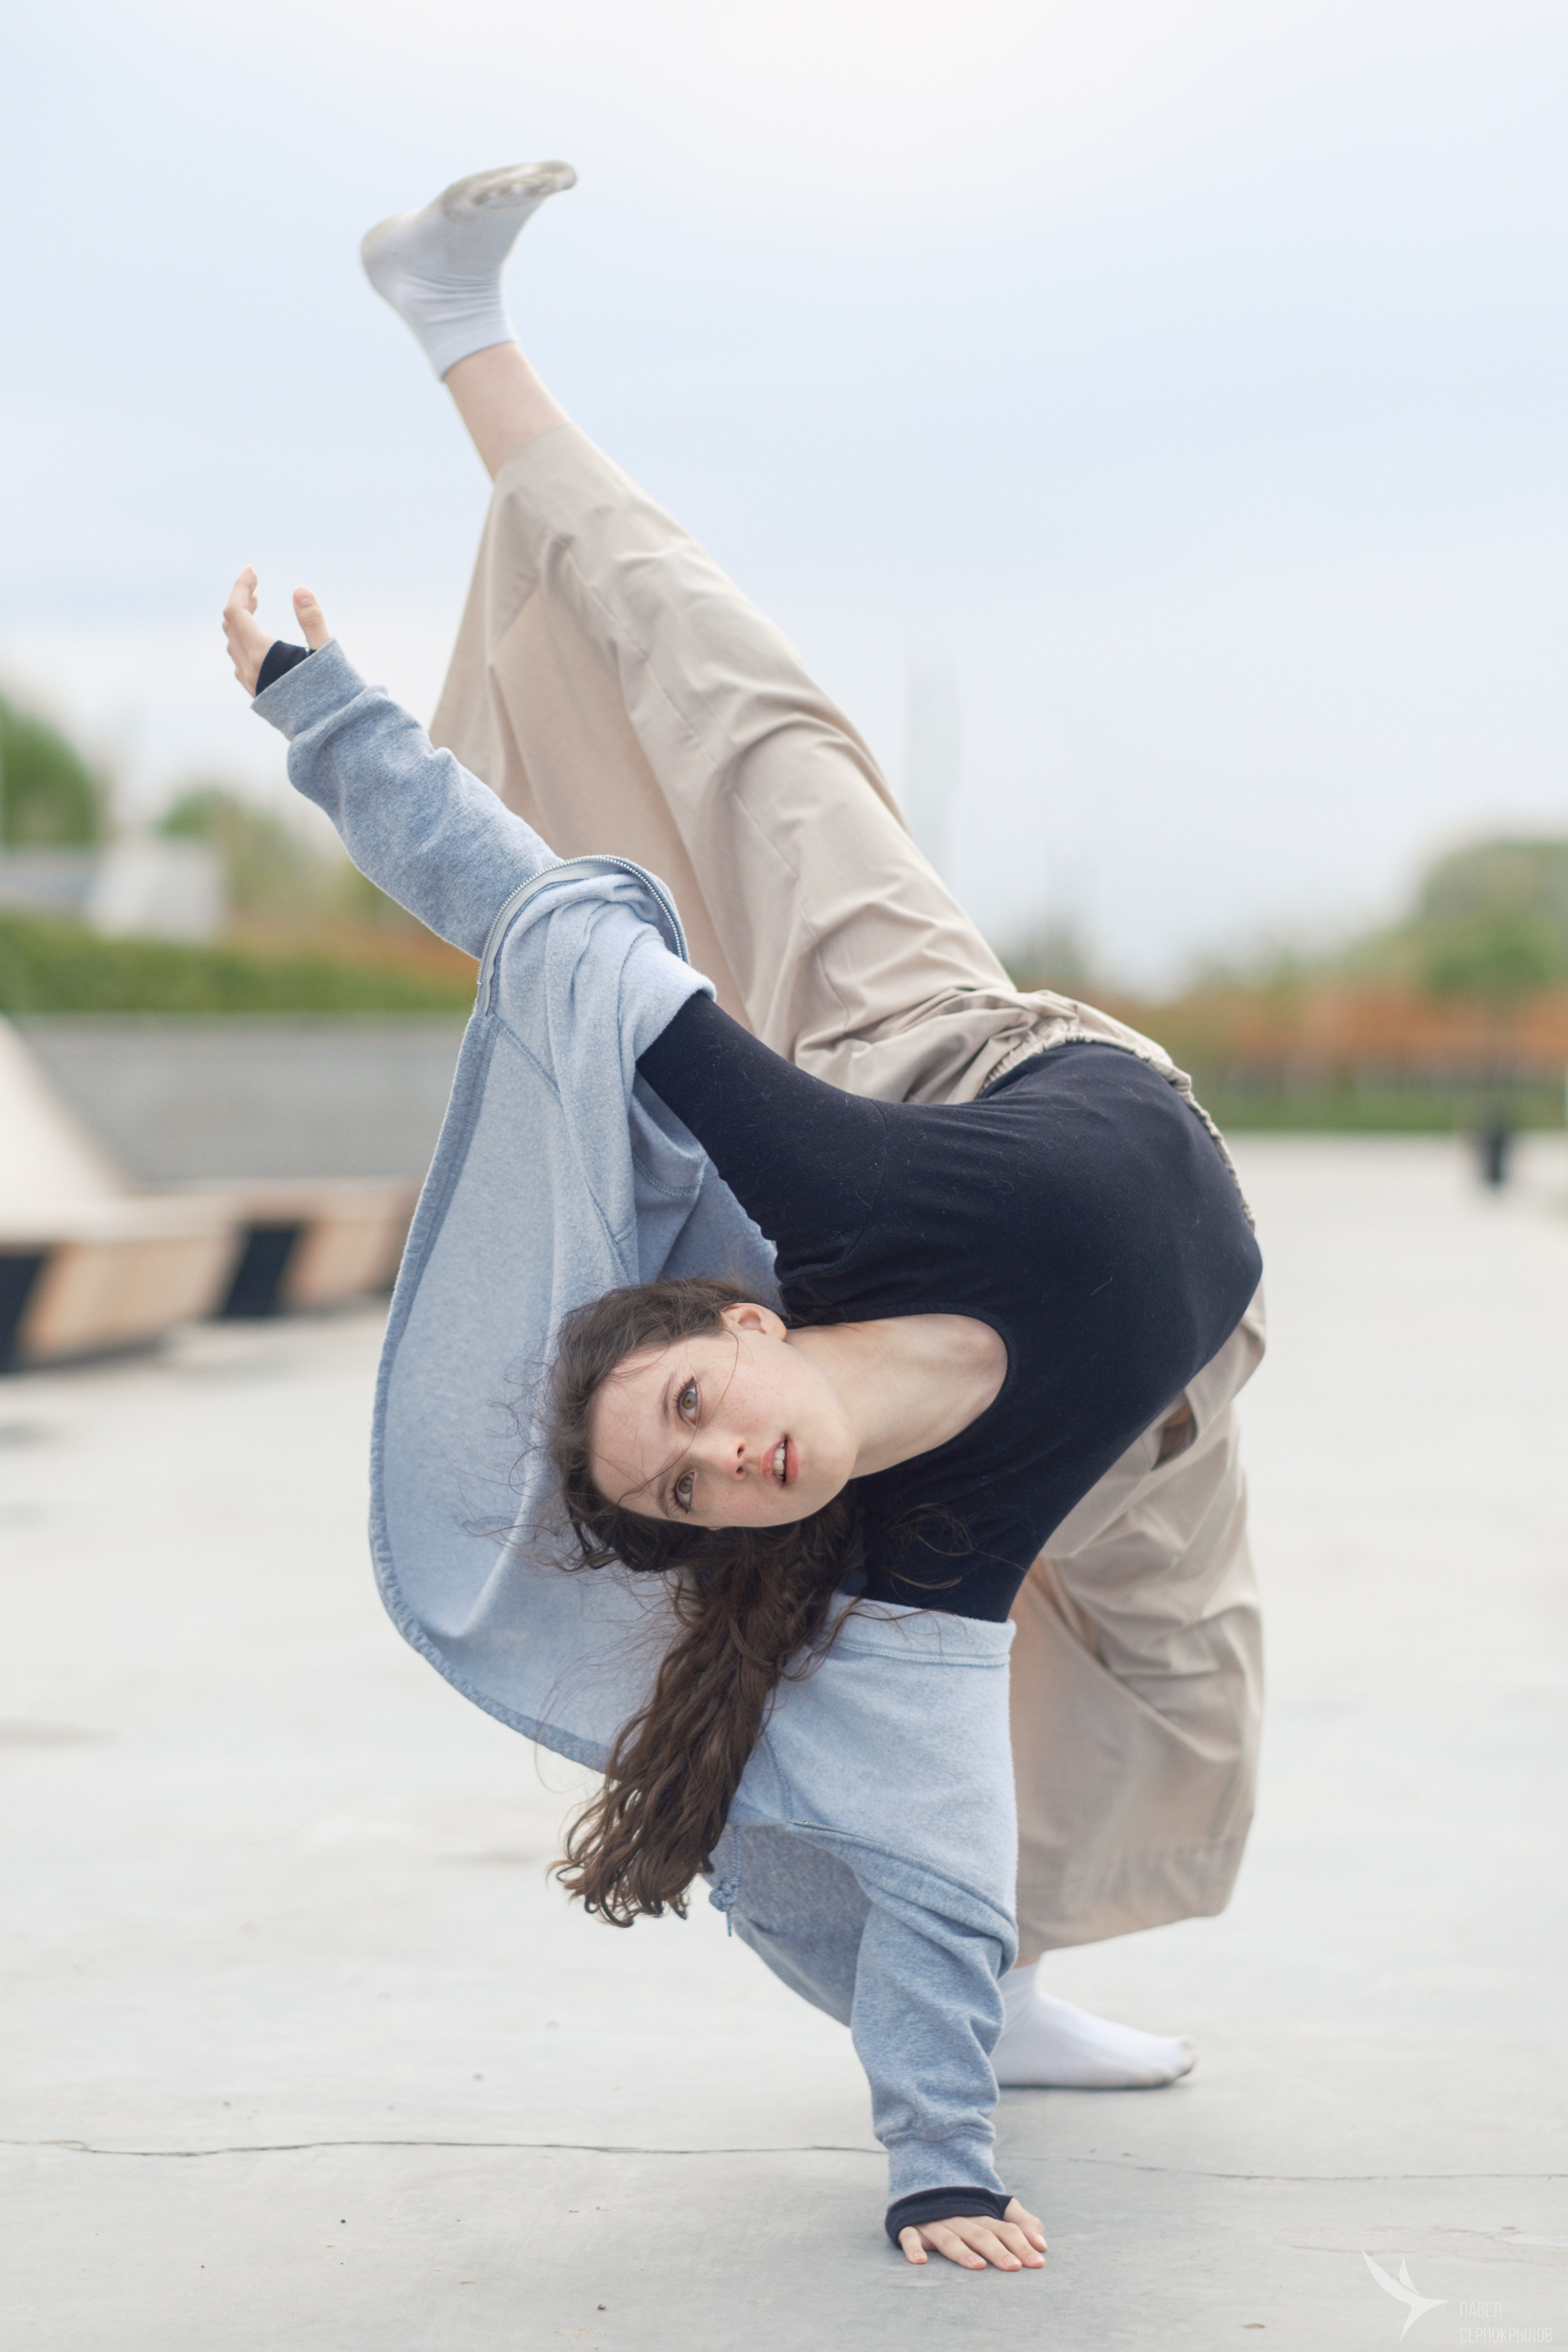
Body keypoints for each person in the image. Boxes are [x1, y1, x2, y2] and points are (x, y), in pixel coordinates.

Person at [221, 162, 1268, 2274]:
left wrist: (321, 723)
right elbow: (938, 1841)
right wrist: (941, 2162)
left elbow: (538, 919)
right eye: (695, 1494)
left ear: (747, 1326)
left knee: (745, 710)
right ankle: (1014, 2018)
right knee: (1178, 1710)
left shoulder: (824, 1176)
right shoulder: (924, 1565)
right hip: (1169, 1394)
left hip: (944, 1046)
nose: (724, 1458)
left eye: (690, 1405)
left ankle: (456, 327)